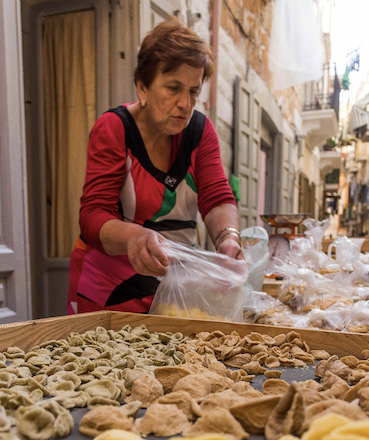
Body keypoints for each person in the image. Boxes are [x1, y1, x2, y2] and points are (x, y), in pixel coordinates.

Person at [67, 17, 244, 316]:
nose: (185, 104)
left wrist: (229, 238)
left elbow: (216, 198)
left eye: (193, 91)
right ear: (143, 87)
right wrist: (134, 236)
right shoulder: (115, 129)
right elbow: (94, 215)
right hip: (108, 290)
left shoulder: (200, 131)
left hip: (173, 288)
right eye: (173, 88)